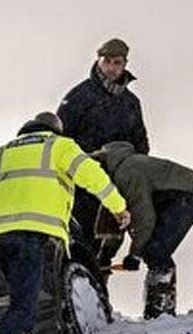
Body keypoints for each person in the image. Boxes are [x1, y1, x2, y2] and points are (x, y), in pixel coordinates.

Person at [0, 111, 130, 334]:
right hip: (30, 234)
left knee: (27, 298)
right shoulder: (59, 145)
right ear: (55, 130)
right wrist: (119, 208)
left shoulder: (0, 153)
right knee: (24, 303)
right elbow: (93, 176)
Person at [58, 37, 150, 266]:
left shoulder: (131, 103)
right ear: (98, 61)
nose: (111, 67)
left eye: (117, 62)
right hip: (83, 184)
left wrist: (134, 177)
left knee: (109, 244)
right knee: (81, 242)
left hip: (116, 184)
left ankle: (99, 291)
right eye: (107, 61)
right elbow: (59, 140)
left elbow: (141, 143)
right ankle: (81, 291)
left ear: (125, 64)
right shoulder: (79, 97)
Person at [92, 141, 193, 319]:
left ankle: (160, 309)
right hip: (178, 195)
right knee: (153, 248)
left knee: (155, 250)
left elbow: (143, 217)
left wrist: (134, 255)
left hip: (189, 195)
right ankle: (159, 308)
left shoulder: (127, 173)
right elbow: (125, 218)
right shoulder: (123, 169)